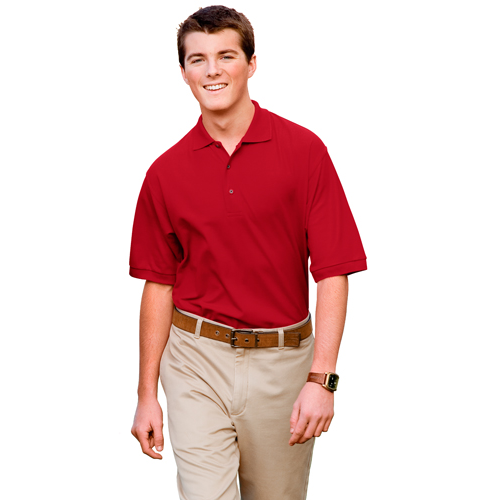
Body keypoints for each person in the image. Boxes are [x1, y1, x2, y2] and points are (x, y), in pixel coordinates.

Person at [129, 5, 367, 499]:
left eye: (226, 56)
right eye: (197, 59)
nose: (211, 70)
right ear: (183, 73)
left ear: (251, 64)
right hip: (195, 358)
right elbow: (159, 284)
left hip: (284, 363)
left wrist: (322, 379)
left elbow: (333, 272)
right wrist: (146, 394)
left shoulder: (305, 152)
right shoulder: (164, 173)